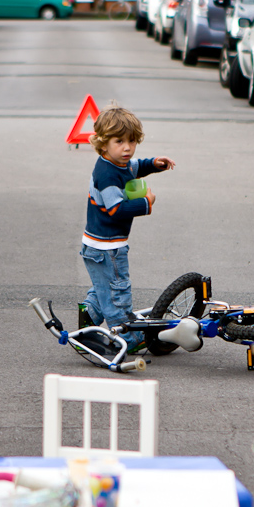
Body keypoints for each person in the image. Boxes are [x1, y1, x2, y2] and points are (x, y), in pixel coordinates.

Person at [79, 104, 176, 353]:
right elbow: (116, 209)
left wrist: (153, 164)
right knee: (117, 291)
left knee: (105, 287)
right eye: (119, 141)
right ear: (103, 144)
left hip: (97, 245)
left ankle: (88, 317)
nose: (127, 148)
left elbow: (134, 166)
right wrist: (146, 203)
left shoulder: (116, 164)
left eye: (132, 141)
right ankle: (126, 338)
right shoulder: (107, 175)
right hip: (107, 247)